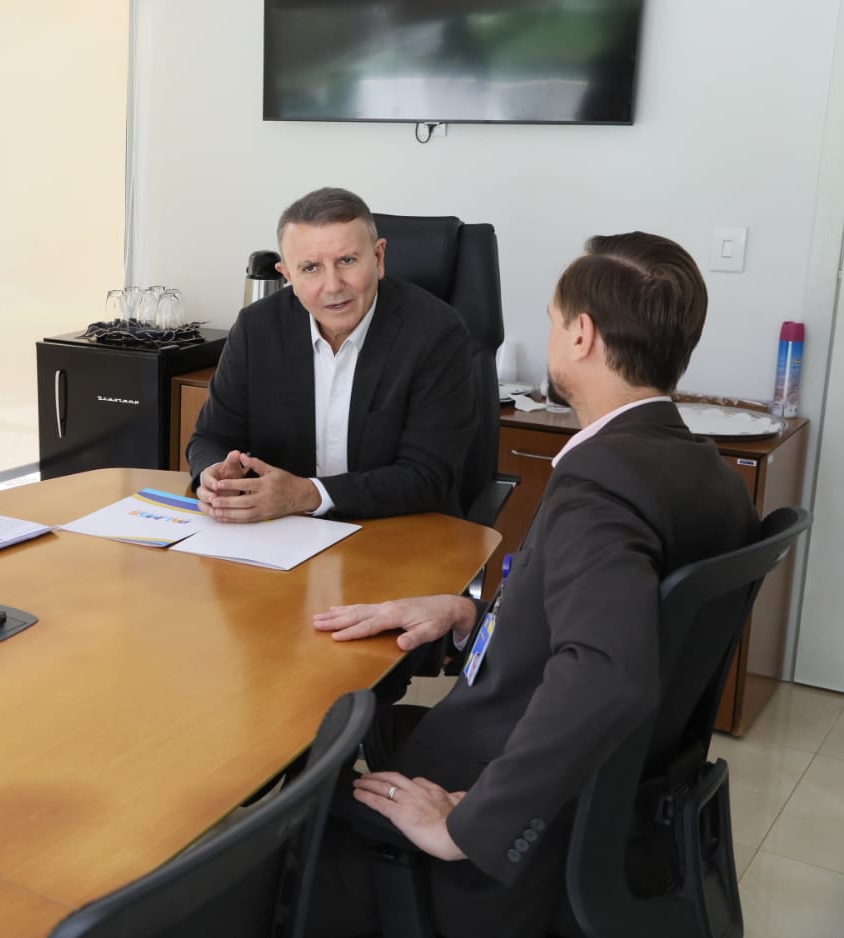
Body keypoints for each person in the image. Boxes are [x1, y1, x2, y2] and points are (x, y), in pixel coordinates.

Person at [308, 232, 760, 936]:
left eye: (553, 319)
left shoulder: (600, 484)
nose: (551, 334)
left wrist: (467, 826)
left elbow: (607, 673)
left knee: (304, 769)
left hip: (506, 807)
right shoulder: (710, 473)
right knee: (357, 724)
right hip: (612, 794)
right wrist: (471, 616)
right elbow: (621, 620)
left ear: (581, 335)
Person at [187, 187, 474, 521]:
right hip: (285, 531)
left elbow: (428, 476)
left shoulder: (435, 332)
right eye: (310, 268)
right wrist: (213, 474)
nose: (334, 285)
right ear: (288, 276)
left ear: (378, 257)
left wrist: (307, 494)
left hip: (400, 530)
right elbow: (211, 437)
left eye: (347, 261)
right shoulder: (256, 328)